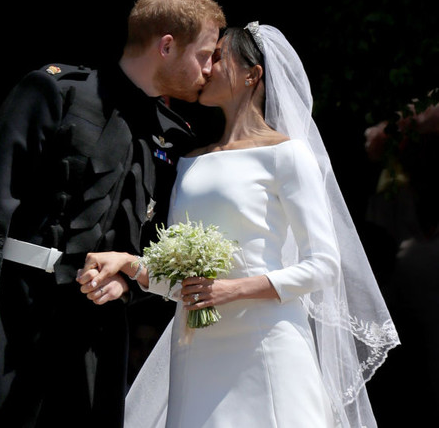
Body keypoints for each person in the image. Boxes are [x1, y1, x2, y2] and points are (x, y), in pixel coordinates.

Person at [0, 0, 226, 428]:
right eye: (204, 54)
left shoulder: (174, 136)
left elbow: (156, 242)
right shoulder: (54, 91)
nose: (209, 69)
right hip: (13, 311)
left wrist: (130, 285)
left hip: (98, 333)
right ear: (167, 45)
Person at [77, 23, 400, 427]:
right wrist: (129, 263)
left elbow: (324, 265)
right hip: (195, 350)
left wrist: (232, 289)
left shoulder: (287, 155)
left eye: (218, 57)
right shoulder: (190, 161)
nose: (206, 68)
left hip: (267, 343)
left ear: (253, 75)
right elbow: (180, 282)